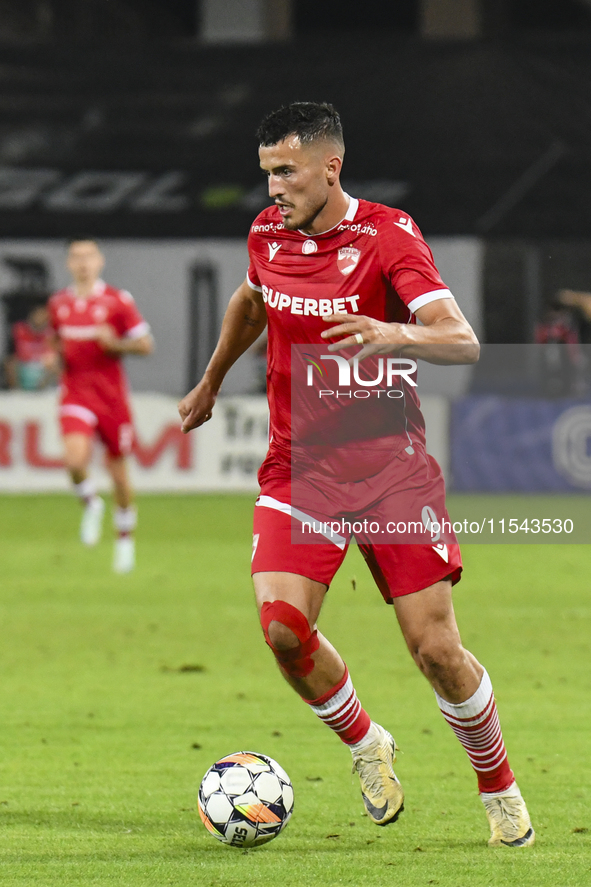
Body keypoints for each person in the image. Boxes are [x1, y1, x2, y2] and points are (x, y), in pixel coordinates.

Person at [178, 103, 534, 847]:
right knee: (281, 629)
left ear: (329, 167)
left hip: (389, 473)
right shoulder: (265, 233)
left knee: (434, 649)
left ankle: (498, 788)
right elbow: (250, 300)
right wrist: (211, 381)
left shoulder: (386, 234)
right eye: (267, 172)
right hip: (298, 470)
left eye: (286, 171)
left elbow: (460, 341)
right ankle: (365, 742)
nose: (274, 187)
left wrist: (392, 330)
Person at [48, 238, 153, 573]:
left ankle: (124, 542)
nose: (83, 263)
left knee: (120, 476)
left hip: (111, 397)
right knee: (75, 460)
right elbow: (55, 341)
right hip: (76, 392)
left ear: (100, 261)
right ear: (68, 263)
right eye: (76, 257)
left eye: (88, 256)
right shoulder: (59, 304)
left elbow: (145, 344)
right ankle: (91, 503)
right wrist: (53, 357)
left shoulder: (117, 302)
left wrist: (117, 344)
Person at [5, 301, 58, 390]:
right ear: (32, 315)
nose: (41, 318)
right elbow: (13, 352)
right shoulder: (20, 329)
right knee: (10, 363)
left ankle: (43, 390)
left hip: (42, 368)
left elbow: (53, 354)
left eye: (44, 316)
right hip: (24, 367)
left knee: (55, 363)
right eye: (38, 315)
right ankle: (16, 392)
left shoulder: (50, 332)